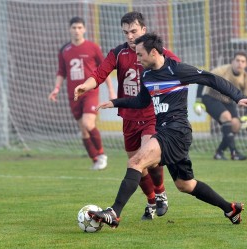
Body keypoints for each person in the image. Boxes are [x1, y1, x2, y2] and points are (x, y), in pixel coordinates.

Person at [74, 33, 247, 228]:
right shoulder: (147, 75)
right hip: (165, 132)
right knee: (185, 185)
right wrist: (115, 102)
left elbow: (211, 79)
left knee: (136, 161)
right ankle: (230, 208)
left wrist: (238, 97)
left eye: (141, 54)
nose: (138, 58)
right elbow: (142, 101)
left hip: (177, 130)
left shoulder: (177, 70)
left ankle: (114, 212)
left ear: (153, 52)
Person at [75, 12, 180, 220]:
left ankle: (160, 193)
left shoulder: (157, 52)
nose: (130, 36)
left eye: (133, 31)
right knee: (136, 164)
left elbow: (178, 69)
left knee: (146, 159)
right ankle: (151, 199)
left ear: (143, 29)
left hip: (151, 115)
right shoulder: (118, 53)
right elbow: (99, 74)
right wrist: (84, 87)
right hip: (129, 117)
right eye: (125, 32)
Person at [48, 17, 116, 170]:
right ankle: (95, 159)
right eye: (74, 27)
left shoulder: (92, 47)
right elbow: (61, 72)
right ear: (69, 29)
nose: (77, 30)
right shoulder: (64, 50)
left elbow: (104, 69)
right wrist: (56, 89)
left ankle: (102, 154)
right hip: (73, 95)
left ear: (84, 29)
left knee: (88, 123)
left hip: (90, 92)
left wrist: (111, 90)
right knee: (83, 130)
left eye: (79, 27)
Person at [194, 51, 247, 160]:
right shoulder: (221, 71)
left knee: (236, 124)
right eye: (237, 60)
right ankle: (234, 153)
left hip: (228, 102)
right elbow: (203, 79)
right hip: (211, 98)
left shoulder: (246, 78)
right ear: (232, 62)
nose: (239, 63)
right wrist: (198, 100)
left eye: (243, 61)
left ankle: (219, 152)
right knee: (227, 117)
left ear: (246, 65)